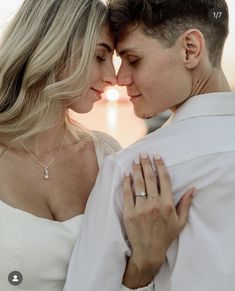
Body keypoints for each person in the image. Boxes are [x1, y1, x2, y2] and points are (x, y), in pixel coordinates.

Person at [0, 0, 193, 290]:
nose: (114, 78)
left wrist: (145, 263)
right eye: (100, 56)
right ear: (55, 47)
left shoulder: (107, 155)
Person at [64, 0, 235, 291]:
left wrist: (141, 269)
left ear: (190, 48)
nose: (120, 78)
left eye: (133, 59)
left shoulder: (130, 170)